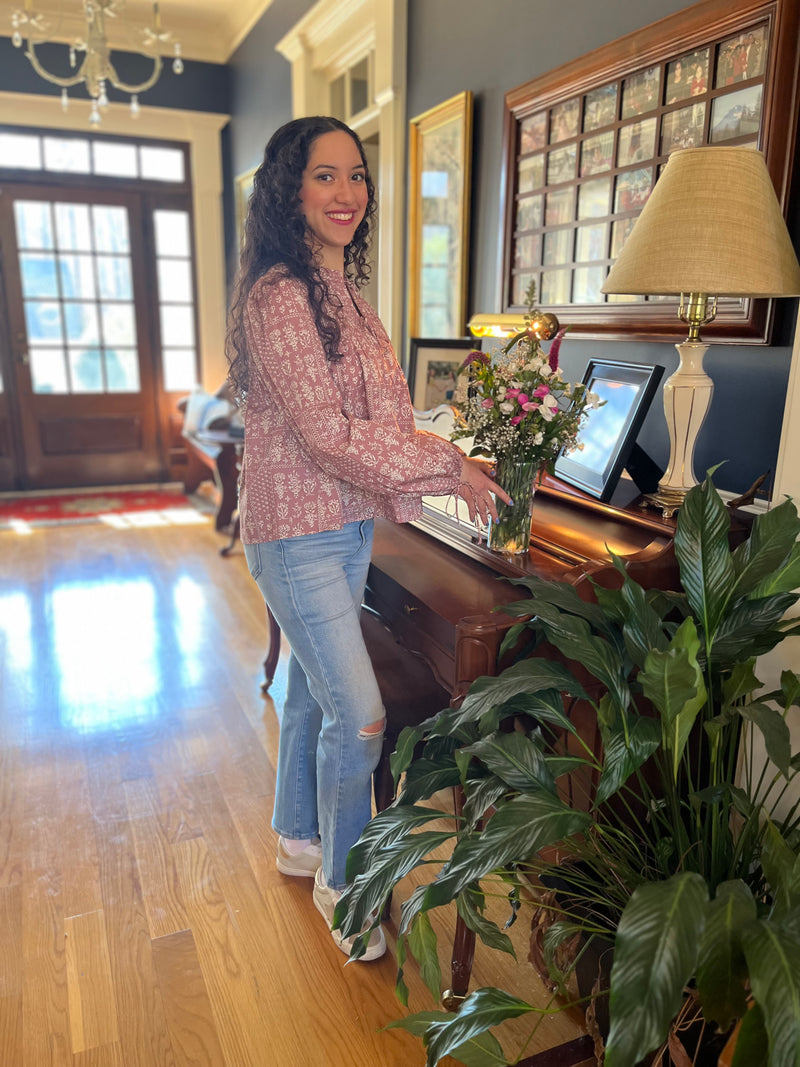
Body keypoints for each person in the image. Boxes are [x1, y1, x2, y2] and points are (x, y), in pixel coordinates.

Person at [225, 116, 508, 961]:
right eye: (325, 177)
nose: (346, 193)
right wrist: (444, 464)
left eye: (356, 176)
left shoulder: (337, 285)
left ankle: (296, 836)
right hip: (295, 533)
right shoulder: (280, 294)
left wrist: (416, 469)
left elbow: (376, 412)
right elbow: (325, 434)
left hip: (342, 525)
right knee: (362, 718)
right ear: (291, 188)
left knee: (315, 692)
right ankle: (346, 887)